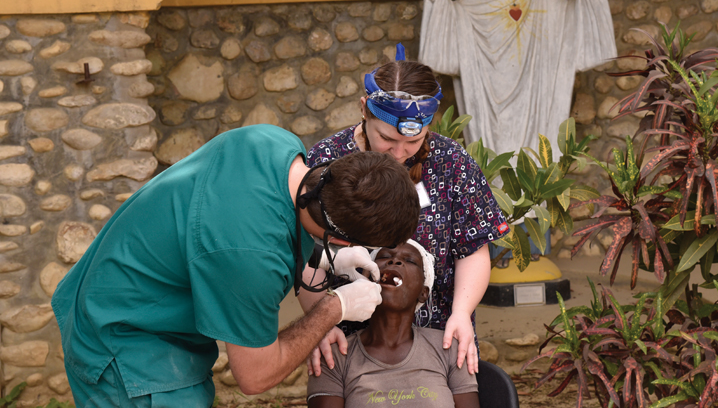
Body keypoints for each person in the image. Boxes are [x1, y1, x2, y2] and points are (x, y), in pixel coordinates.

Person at [52, 124, 421, 407]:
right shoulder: (248, 258)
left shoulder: (274, 144)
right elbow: (255, 377)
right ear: (343, 237)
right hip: (127, 346)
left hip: (112, 285)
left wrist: (327, 257)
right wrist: (334, 307)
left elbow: (294, 220)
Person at [303, 52, 507, 375]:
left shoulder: (453, 164)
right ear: (363, 110)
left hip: (440, 343)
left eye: (413, 141)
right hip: (346, 346)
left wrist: (461, 313)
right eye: (386, 138)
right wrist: (317, 321)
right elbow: (304, 251)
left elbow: (472, 249)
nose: (399, 153)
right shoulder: (328, 162)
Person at [406, 0, 630, 159]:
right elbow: (455, 22)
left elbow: (570, 20)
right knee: (496, 162)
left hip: (534, 98)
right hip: (489, 97)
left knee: (534, 158)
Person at [307, 240, 480, 408]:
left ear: (423, 293)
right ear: (365, 280)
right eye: (385, 256)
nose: (395, 260)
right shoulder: (334, 355)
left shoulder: (449, 348)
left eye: (410, 260)